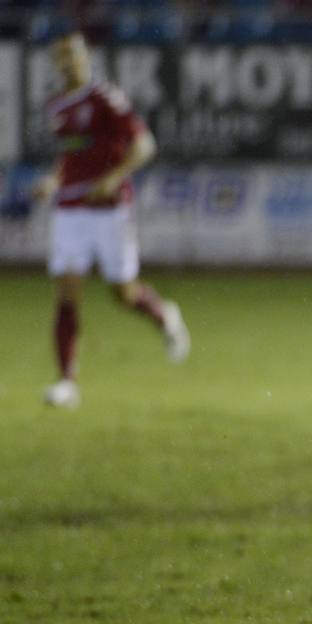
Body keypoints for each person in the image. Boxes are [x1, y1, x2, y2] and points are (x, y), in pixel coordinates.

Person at [33, 31, 190, 409]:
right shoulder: (56, 106)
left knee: (123, 293)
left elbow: (144, 145)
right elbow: (69, 156)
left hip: (110, 210)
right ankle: (67, 383)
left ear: (86, 58)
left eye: (76, 55)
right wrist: (53, 181)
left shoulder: (105, 98)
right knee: (67, 291)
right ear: (57, 64)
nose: (71, 63)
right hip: (70, 209)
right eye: (63, 57)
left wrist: (114, 177)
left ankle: (163, 314)